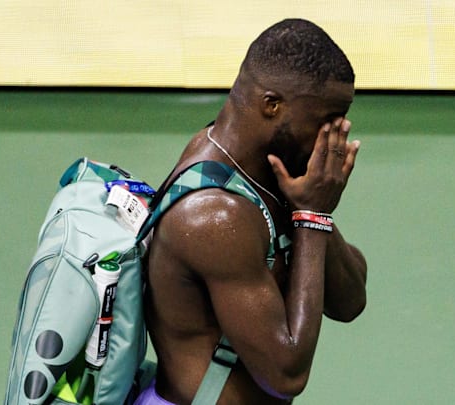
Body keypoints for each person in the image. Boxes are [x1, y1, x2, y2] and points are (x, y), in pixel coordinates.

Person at [137, 18, 368, 405]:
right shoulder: (215, 216)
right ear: (272, 105)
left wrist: (314, 209)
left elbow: (350, 302)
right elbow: (286, 373)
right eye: (326, 120)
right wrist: (312, 217)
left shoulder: (263, 167)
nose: (337, 133)